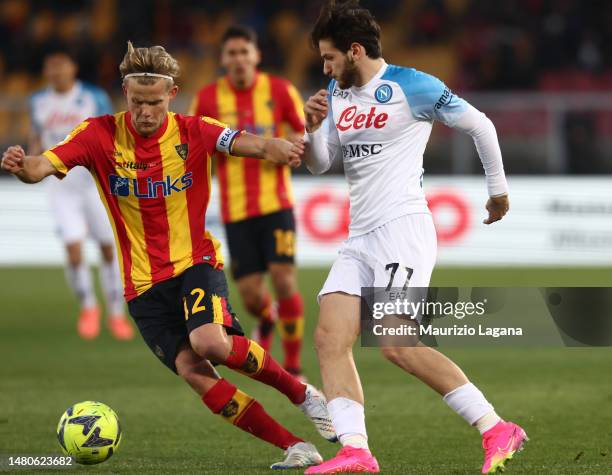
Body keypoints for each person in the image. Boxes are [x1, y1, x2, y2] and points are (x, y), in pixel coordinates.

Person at [2, 42, 335, 469]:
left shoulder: (194, 130)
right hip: (141, 285)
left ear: (172, 93)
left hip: (194, 262)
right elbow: (40, 168)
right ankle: (294, 446)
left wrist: (276, 148)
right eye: (137, 102)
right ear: (126, 93)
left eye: (154, 102)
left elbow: (247, 143)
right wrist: (21, 164)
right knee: (195, 373)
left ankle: (302, 394)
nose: (144, 112)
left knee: (209, 341)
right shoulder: (97, 134)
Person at [301, 1, 527, 473]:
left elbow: (480, 125)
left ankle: (495, 426)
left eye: (329, 57)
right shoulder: (336, 95)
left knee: (395, 342)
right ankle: (356, 451)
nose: (324, 67)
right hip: (359, 234)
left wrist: (498, 193)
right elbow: (321, 163)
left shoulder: (414, 86)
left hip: (402, 229)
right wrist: (313, 128)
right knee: (328, 337)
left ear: (355, 50)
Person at [190, 26, 306, 377]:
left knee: (284, 279)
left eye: (245, 52)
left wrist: (290, 147)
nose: (239, 59)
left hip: (277, 205)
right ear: (223, 59)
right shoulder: (209, 99)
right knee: (253, 296)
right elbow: (197, 147)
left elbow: (302, 132)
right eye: (232, 53)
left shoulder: (280, 90)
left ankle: (294, 365)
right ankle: (267, 320)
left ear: (256, 55)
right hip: (236, 210)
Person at [28, 48, 133, 340]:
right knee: (74, 252)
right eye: (51, 66)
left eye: (61, 65)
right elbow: (36, 137)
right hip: (60, 186)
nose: (56, 71)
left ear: (73, 67)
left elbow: (111, 135)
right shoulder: (37, 101)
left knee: (108, 249)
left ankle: (115, 312)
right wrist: (31, 162)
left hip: (93, 184)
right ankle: (89, 307)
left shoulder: (93, 97)